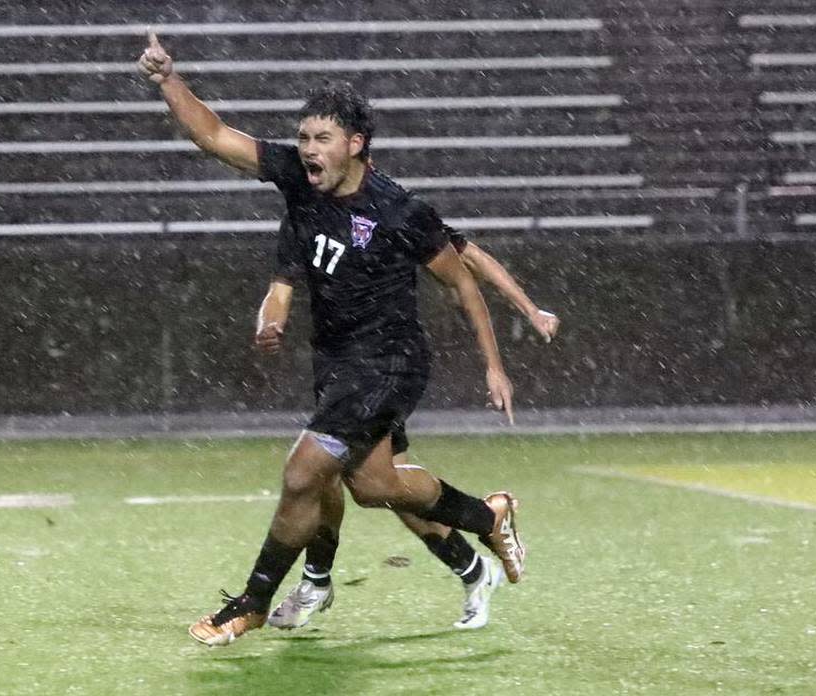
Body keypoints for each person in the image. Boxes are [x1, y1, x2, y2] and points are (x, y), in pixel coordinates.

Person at [139, 34, 528, 646]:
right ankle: (488, 516)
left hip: (392, 362)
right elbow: (213, 135)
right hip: (339, 360)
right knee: (376, 487)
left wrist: (494, 366)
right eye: (303, 137)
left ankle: (253, 602)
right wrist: (168, 81)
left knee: (303, 473)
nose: (307, 149)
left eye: (321, 139)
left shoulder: (400, 211)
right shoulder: (300, 182)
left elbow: (463, 284)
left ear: (356, 145)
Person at [266, 231, 558, 631]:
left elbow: (473, 259)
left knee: (332, 471)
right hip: (340, 368)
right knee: (391, 489)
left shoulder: (389, 209)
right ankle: (475, 569)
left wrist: (530, 309)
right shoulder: (314, 210)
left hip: (383, 368)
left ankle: (317, 580)